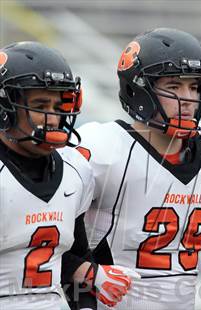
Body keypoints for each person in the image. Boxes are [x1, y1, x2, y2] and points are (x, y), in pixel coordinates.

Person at [77, 28, 201, 309]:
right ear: (138, 89)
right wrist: (87, 273)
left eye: (195, 86)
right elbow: (45, 240)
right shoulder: (101, 148)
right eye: (174, 86)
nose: (188, 99)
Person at [0, 41, 136, 310]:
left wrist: (90, 283)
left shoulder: (75, 170)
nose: (52, 118)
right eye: (40, 104)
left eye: (58, 106)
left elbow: (74, 255)